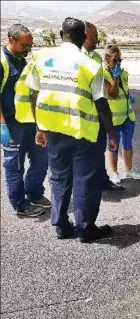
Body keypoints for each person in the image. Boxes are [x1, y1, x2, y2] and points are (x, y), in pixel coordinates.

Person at [25, 17, 118, 242]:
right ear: (83, 37)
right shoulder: (90, 65)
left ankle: (60, 225)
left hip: (54, 130)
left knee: (58, 178)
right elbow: (101, 103)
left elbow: (33, 93)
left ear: (60, 34)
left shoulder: (41, 57)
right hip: (83, 132)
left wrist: (40, 126)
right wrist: (112, 134)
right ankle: (86, 229)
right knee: (85, 180)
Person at [0, 24, 49, 218]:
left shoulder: (23, 61)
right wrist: (2, 125)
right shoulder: (2, 62)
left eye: (30, 46)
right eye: (25, 45)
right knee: (15, 166)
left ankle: (34, 193)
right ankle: (20, 204)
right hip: (12, 126)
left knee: (41, 160)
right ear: (11, 40)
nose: (28, 50)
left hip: (31, 123)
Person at [82, 21, 123, 191]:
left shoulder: (95, 58)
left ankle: (102, 181)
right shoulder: (78, 59)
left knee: (98, 152)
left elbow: (103, 94)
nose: (97, 41)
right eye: (94, 37)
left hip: (98, 115)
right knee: (84, 156)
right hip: (82, 117)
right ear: (84, 37)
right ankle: (86, 187)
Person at [102, 45, 140, 182]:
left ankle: (129, 170)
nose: (118, 63)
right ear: (107, 60)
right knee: (113, 145)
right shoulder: (103, 75)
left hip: (128, 116)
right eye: (115, 60)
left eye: (120, 60)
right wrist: (116, 78)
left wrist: (129, 97)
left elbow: (125, 91)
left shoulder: (124, 73)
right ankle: (113, 172)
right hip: (113, 118)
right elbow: (112, 94)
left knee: (128, 144)